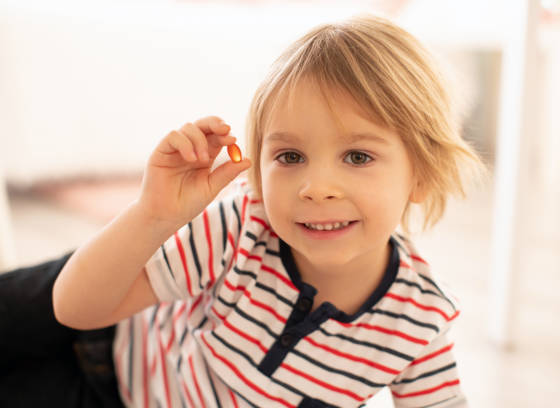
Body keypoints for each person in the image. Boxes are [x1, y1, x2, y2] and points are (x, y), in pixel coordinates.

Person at [1, 14, 484, 408]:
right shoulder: (242, 225)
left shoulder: (418, 321)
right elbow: (76, 309)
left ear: (420, 174)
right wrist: (152, 215)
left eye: (357, 157)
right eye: (290, 157)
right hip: (110, 302)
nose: (316, 188)